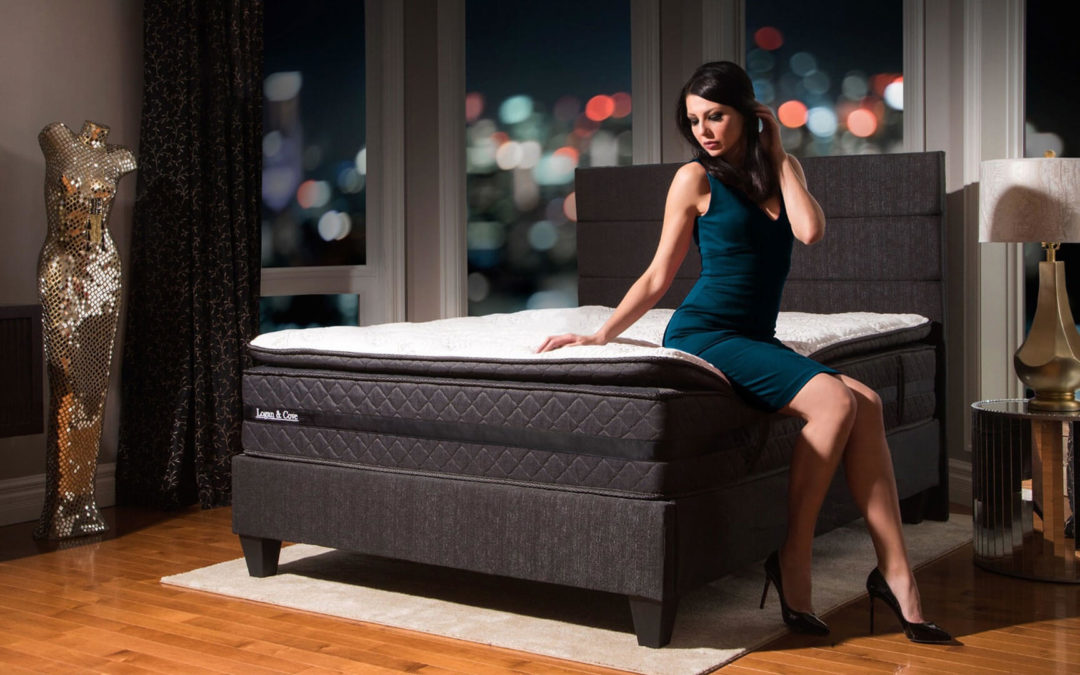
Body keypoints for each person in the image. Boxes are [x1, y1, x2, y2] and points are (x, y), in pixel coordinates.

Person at [537, 61, 951, 644]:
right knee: (833, 401)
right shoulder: (694, 180)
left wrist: (779, 153)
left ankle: (896, 573)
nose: (704, 130)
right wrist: (602, 335)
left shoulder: (783, 169)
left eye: (716, 116)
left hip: (756, 336)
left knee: (869, 405)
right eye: (694, 120)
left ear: (748, 113)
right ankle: (793, 560)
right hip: (706, 332)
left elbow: (809, 232)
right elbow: (659, 275)